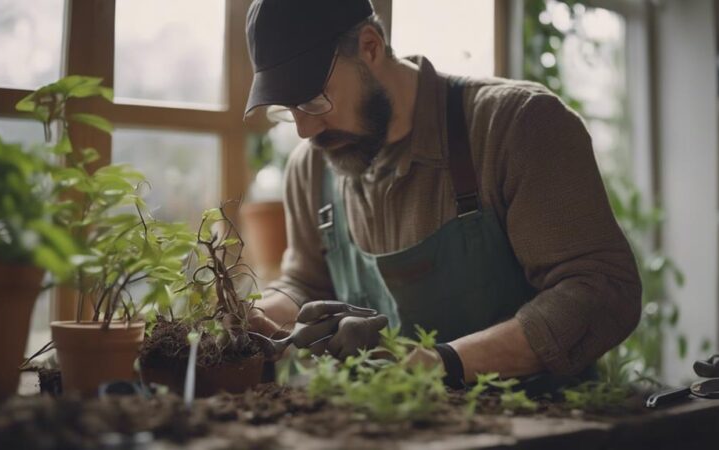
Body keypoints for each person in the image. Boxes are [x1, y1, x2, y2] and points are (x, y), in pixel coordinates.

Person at [243, 0, 642, 390]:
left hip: (544, 426)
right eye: (288, 109)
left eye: (314, 100)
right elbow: (307, 282)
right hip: (391, 429)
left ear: (370, 47)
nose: (305, 130)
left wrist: (441, 363)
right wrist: (257, 317)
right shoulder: (311, 169)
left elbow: (601, 289)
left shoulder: (517, 126)